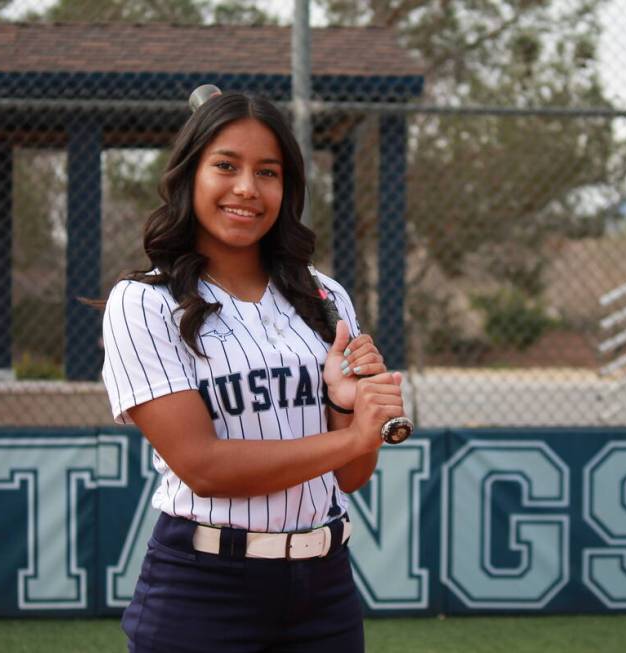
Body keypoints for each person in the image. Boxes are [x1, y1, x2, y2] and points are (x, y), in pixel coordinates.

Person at [100, 90, 404, 652]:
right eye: (226, 166)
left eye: (268, 172)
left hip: (325, 585)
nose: (247, 188)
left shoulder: (323, 295)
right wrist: (357, 434)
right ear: (190, 175)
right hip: (204, 587)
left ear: (286, 189)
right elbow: (205, 467)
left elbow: (350, 477)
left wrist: (345, 407)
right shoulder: (143, 302)